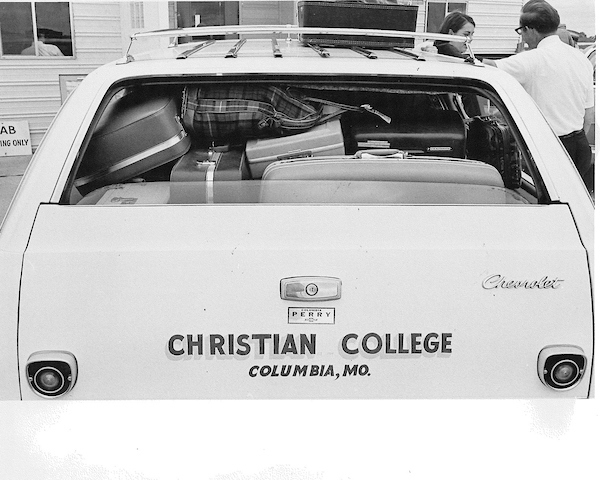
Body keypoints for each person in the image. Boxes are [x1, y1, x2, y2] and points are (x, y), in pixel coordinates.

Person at [484, 1, 594, 192]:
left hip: (551, 148)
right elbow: (588, 115)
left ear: (530, 29)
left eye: (521, 31)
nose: (523, 39)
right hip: (580, 146)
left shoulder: (532, 60)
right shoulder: (580, 59)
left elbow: (485, 67)